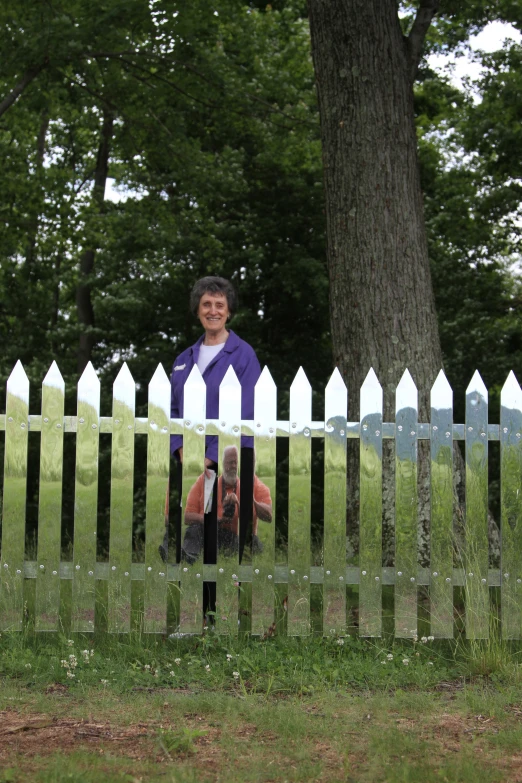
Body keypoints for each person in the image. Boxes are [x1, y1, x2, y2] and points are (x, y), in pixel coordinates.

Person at [161, 276, 262, 613]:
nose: (213, 310)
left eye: (220, 304)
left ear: (229, 311)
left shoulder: (244, 355)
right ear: (197, 310)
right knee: (188, 540)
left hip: (225, 467)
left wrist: (211, 459)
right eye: (207, 304)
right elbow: (172, 411)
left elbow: (248, 415)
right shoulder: (183, 359)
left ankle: (222, 618)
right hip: (188, 464)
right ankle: (193, 616)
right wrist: (181, 449)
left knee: (222, 544)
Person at [182, 445, 272, 563]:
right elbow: (187, 518)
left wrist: (249, 499)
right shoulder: (205, 482)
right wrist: (213, 519)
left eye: (236, 462)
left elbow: (268, 516)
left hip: (236, 536)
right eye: (230, 462)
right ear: (223, 464)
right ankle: (189, 556)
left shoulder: (255, 485)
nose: (233, 466)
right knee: (194, 529)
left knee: (252, 541)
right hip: (212, 531)